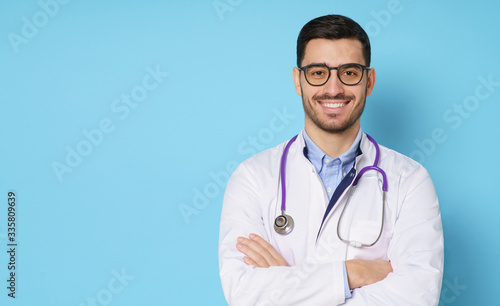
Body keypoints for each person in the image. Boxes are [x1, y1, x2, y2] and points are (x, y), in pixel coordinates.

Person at [218, 14, 444, 305]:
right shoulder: (252, 177)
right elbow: (243, 292)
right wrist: (351, 273)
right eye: (317, 72)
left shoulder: (411, 180)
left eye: (349, 72)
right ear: (298, 81)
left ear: (369, 81)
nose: (334, 88)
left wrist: (288, 284)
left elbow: (416, 297)